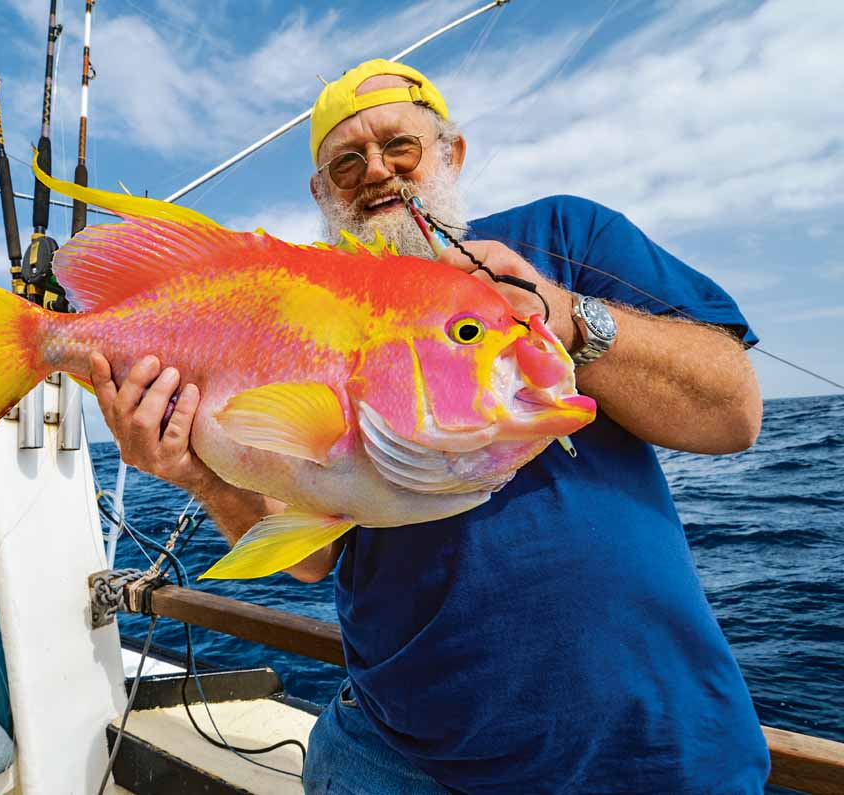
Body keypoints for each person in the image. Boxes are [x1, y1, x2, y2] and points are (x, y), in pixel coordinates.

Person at [89, 58, 770, 794]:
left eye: (399, 147)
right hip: (392, 752)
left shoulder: (563, 232)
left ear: (452, 153)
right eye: (345, 164)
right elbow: (311, 559)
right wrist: (198, 472)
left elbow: (733, 411)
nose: (376, 171)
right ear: (322, 194)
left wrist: (566, 313)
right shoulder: (293, 295)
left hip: (645, 750)